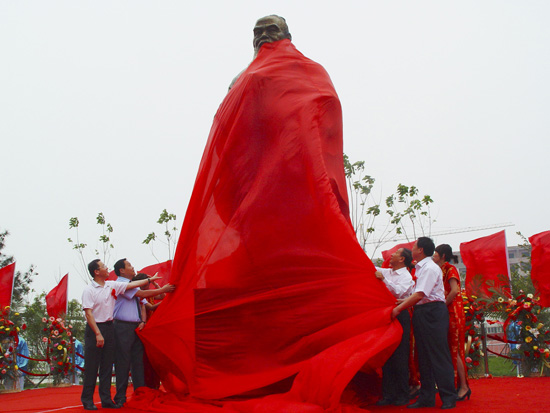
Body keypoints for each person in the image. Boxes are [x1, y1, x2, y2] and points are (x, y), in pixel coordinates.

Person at [81, 259, 162, 411]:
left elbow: (132, 285)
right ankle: (88, 400)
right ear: (96, 272)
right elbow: (89, 314)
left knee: (106, 366)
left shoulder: (111, 285)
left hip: (110, 327)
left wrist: (150, 280)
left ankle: (106, 399)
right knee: (92, 366)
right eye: (103, 266)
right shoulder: (89, 290)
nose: (107, 268)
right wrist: (98, 333)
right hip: (96, 328)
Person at [392, 237, 457, 410]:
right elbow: (417, 295)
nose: (412, 248)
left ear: (420, 250)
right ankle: (427, 397)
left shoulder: (429, 268)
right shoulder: (421, 268)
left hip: (433, 312)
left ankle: (448, 396)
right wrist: (400, 302)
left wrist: (398, 309)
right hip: (422, 311)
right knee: (424, 357)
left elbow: (420, 294)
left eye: (414, 246)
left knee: (438, 355)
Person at [112, 259, 175, 407]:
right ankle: (120, 397)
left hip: (136, 326)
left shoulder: (132, 285)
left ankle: (140, 394)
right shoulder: (121, 284)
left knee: (137, 362)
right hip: (122, 327)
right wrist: (162, 289)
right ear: (121, 270)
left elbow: (144, 302)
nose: (133, 267)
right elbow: (143, 293)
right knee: (123, 362)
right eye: (129, 265)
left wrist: (142, 321)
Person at [374, 248, 415, 406]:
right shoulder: (388, 272)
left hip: (400, 315)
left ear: (402, 259)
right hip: (386, 315)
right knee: (386, 354)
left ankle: (402, 394)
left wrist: (384, 280)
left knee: (400, 355)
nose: (392, 255)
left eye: (396, 253)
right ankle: (388, 395)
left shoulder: (406, 276)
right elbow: (370, 268)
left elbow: (399, 293)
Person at [433, 244, 470, 401]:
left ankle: (464, 386)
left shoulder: (450, 269)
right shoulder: (439, 269)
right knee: (449, 349)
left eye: (435, 253)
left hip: (453, 312)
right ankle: (454, 384)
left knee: (455, 349)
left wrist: (443, 304)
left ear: (442, 256)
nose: (433, 256)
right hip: (445, 312)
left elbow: (454, 290)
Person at [132, 273, 165, 389]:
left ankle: (154, 384)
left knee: (153, 358)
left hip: (152, 329)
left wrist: (156, 284)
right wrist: (167, 301)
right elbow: (151, 307)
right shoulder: (140, 295)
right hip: (144, 329)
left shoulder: (149, 294)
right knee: (145, 359)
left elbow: (162, 296)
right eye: (147, 282)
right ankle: (146, 385)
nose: (149, 284)